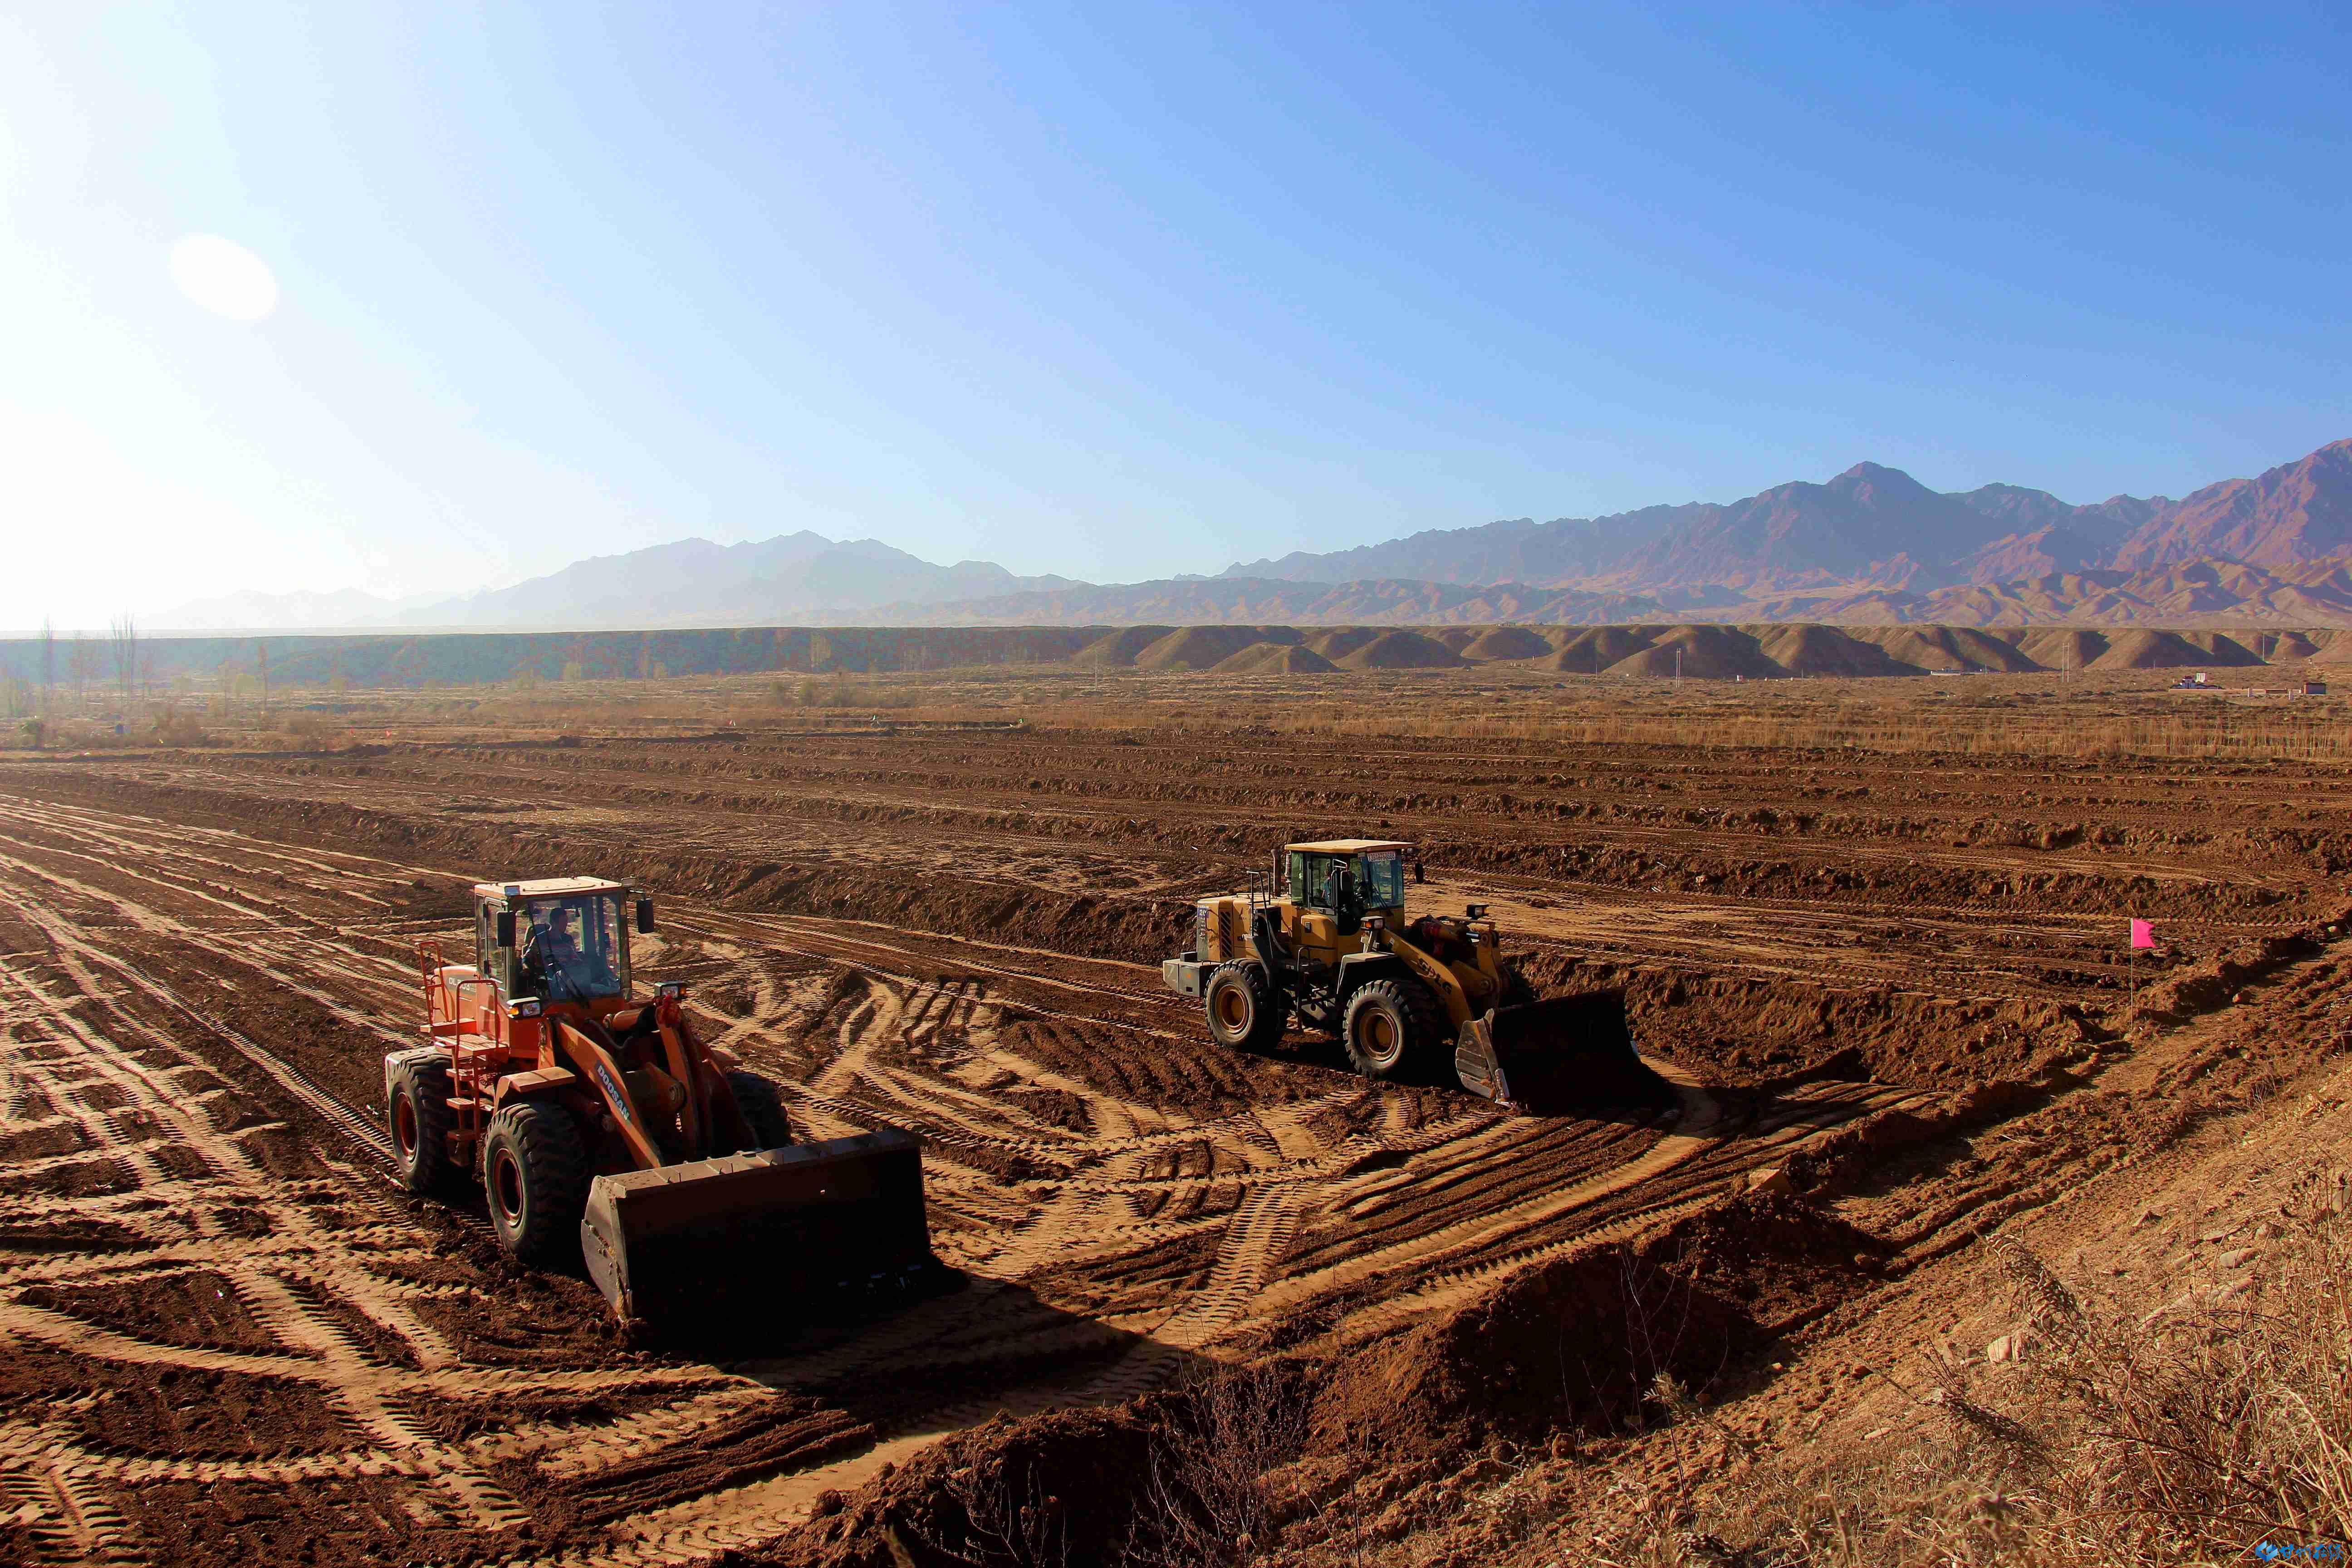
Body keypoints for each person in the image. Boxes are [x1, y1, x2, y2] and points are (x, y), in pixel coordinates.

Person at [519, 903, 612, 1000]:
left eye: (566, 922)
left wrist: (573, 962)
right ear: (553, 923)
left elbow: (575, 958)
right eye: (563, 922)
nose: (566, 925)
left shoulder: (567, 939)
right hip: (548, 977)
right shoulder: (540, 939)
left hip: (568, 974)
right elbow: (527, 958)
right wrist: (527, 969)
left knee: (586, 974)